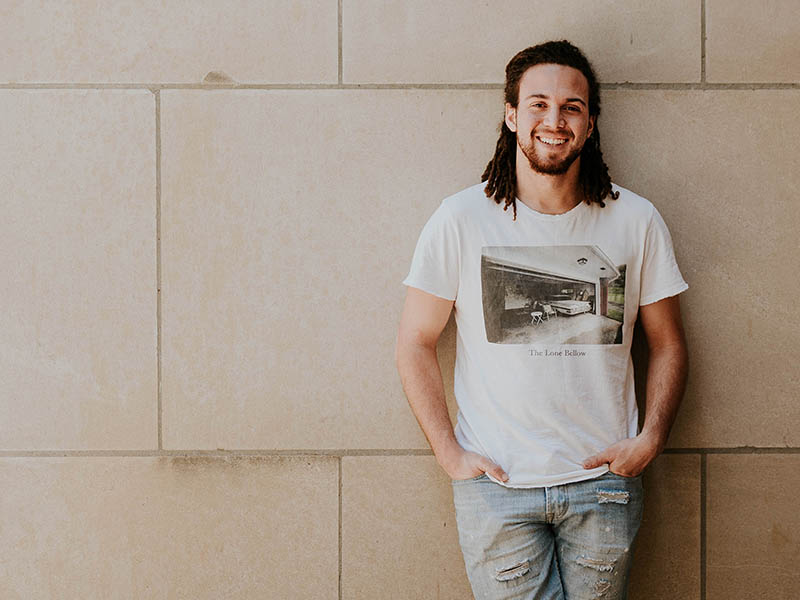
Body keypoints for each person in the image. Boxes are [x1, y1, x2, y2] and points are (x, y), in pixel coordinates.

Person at [394, 40, 689, 600]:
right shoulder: (461, 218)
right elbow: (414, 341)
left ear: (590, 123)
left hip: (604, 483)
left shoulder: (636, 219)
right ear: (511, 115)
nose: (554, 121)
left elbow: (669, 343)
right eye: (538, 104)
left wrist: (650, 439)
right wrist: (449, 453)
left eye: (571, 107)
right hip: (497, 486)